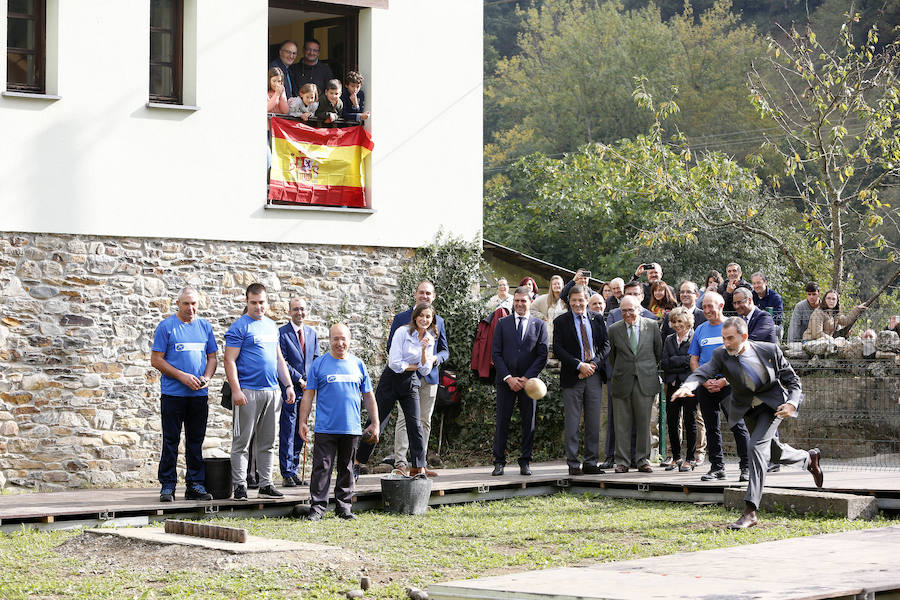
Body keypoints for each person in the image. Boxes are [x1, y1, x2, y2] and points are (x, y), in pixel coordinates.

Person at [672, 317, 823, 529]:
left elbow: (793, 381)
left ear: (744, 336)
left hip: (772, 407)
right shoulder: (721, 355)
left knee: (756, 448)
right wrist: (690, 385)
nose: (725, 343)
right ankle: (809, 458)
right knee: (774, 452)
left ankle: (750, 511)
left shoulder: (769, 351)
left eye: (730, 338)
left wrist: (791, 403)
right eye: (723, 338)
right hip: (747, 409)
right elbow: (703, 371)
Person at [298, 323, 379, 520]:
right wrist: (302, 421)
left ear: (349, 341)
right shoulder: (319, 364)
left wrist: (375, 423)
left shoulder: (358, 364)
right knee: (322, 468)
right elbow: (308, 395)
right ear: (329, 340)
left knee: (348, 468)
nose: (339, 343)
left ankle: (344, 508)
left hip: (351, 427)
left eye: (343, 339)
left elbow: (368, 396)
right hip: (325, 427)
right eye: (335, 339)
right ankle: (317, 508)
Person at [225, 283, 296, 501]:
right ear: (247, 302)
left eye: (262, 302)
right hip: (247, 391)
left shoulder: (272, 327)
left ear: (267, 302)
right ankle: (240, 486)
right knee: (241, 442)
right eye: (254, 302)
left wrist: (288, 385)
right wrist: (236, 390)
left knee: (268, 442)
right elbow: (229, 360)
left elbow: (278, 360)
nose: (258, 306)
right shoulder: (239, 327)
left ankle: (266, 484)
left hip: (272, 392)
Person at [150, 287, 218, 502]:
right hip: (173, 394)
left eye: (194, 304)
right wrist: (182, 376)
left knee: (195, 441)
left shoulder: (204, 326)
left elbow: (213, 358)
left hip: (198, 395)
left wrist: (206, 378)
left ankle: (195, 485)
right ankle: (168, 486)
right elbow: (156, 360)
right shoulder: (166, 327)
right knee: (171, 440)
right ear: (177, 304)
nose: (191, 308)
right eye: (186, 304)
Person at [356, 303, 436, 478]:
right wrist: (414, 365)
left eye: (428, 316)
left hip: (410, 382)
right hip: (391, 380)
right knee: (377, 422)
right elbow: (394, 363)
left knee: (415, 425)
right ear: (415, 317)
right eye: (421, 315)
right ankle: (357, 462)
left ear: (432, 319)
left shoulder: (429, 338)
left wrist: (423, 350)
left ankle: (418, 467)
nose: (424, 319)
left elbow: (425, 370)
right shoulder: (402, 332)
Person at [383, 281, 449, 476]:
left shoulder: (438, 320)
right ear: (415, 294)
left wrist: (435, 358)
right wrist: (411, 364)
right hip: (405, 377)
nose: (425, 296)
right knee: (404, 419)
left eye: (428, 293)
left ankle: (418, 463)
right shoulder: (401, 319)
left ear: (433, 296)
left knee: (424, 421)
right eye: (421, 292)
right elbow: (390, 348)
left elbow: (445, 350)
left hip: (429, 377)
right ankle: (401, 463)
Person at [690, 291, 750, 482]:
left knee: (738, 426)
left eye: (711, 306)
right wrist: (704, 380)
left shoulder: (733, 327)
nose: (707, 310)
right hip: (706, 386)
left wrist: (725, 380)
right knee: (711, 427)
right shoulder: (700, 330)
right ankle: (717, 467)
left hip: (729, 385)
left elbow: (743, 357)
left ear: (721, 306)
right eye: (704, 306)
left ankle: (747, 467)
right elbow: (694, 359)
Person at [491, 287, 549, 476]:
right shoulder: (502, 323)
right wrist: (508, 377)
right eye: (516, 301)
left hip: (529, 384)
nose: (519, 304)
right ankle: (499, 462)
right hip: (506, 381)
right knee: (502, 422)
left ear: (530, 301)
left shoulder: (539, 325)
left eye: (523, 301)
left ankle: (525, 461)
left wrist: (525, 378)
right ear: (513, 301)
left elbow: (542, 356)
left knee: (528, 422)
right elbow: (496, 353)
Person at [552, 285, 610, 475]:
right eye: (574, 300)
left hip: (594, 375)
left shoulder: (598, 318)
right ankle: (573, 463)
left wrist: (593, 364)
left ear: (587, 300)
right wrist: (579, 365)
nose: (577, 303)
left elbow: (606, 345)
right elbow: (558, 349)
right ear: (569, 301)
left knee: (593, 422)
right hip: (573, 376)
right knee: (572, 422)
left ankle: (591, 462)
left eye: (581, 300)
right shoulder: (561, 321)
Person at [607, 295, 663, 473]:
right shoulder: (614, 329)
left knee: (644, 422)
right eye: (624, 310)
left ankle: (642, 460)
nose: (628, 314)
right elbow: (612, 357)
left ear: (639, 309)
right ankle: (622, 461)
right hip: (622, 379)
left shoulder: (652, 326)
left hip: (645, 379)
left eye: (631, 309)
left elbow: (658, 352)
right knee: (621, 423)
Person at [277, 297, 319, 488]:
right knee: (288, 428)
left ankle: (294, 470)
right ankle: (286, 472)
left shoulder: (312, 333)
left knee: (301, 429)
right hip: (290, 389)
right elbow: (282, 362)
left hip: (307, 390)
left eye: (302, 309)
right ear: (289, 312)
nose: (299, 313)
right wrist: (298, 380)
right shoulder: (282, 334)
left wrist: (312, 381)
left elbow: (316, 359)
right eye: (295, 309)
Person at [660, 306, 697, 472]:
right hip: (672, 385)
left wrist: (677, 361)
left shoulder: (694, 337)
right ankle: (676, 457)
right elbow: (665, 363)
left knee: (690, 421)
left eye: (680, 321)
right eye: (674, 321)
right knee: (672, 422)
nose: (676, 324)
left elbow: (692, 362)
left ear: (687, 322)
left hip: (689, 386)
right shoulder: (668, 339)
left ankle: (690, 458)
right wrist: (681, 361)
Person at [531, 274, 567, 342]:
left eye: (558, 283)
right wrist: (541, 317)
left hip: (564, 334)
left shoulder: (567, 300)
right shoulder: (544, 298)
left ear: (562, 285)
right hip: (549, 333)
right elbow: (530, 310)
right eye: (554, 284)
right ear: (551, 286)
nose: (557, 286)